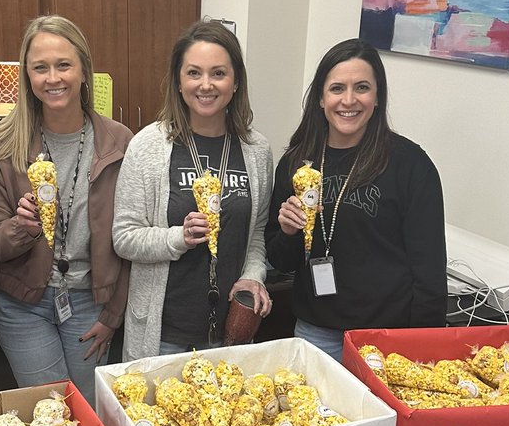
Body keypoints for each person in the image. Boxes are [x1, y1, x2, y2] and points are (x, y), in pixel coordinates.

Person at [0, 15, 131, 407]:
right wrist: (21, 227)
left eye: (63, 65)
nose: (53, 78)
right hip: (23, 302)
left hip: (88, 300)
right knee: (50, 410)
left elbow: (129, 239)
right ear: (27, 76)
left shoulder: (119, 141)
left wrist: (113, 314)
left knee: (89, 410)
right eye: (40, 67)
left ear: (83, 71)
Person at [265, 37, 446, 362]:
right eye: (337, 89)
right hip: (316, 331)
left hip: (386, 338)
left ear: (377, 97)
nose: (349, 100)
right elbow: (281, 261)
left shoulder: (410, 164)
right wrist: (290, 231)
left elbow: (429, 272)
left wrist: (422, 351)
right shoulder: (297, 163)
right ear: (321, 98)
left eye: (361, 87)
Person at [112, 19, 273, 360]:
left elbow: (257, 234)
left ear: (236, 81)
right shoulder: (148, 146)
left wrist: (253, 276)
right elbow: (124, 237)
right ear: (179, 81)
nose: (206, 85)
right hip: (163, 330)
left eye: (218, 73)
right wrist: (177, 239)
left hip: (227, 329)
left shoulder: (257, 150)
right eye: (194, 73)